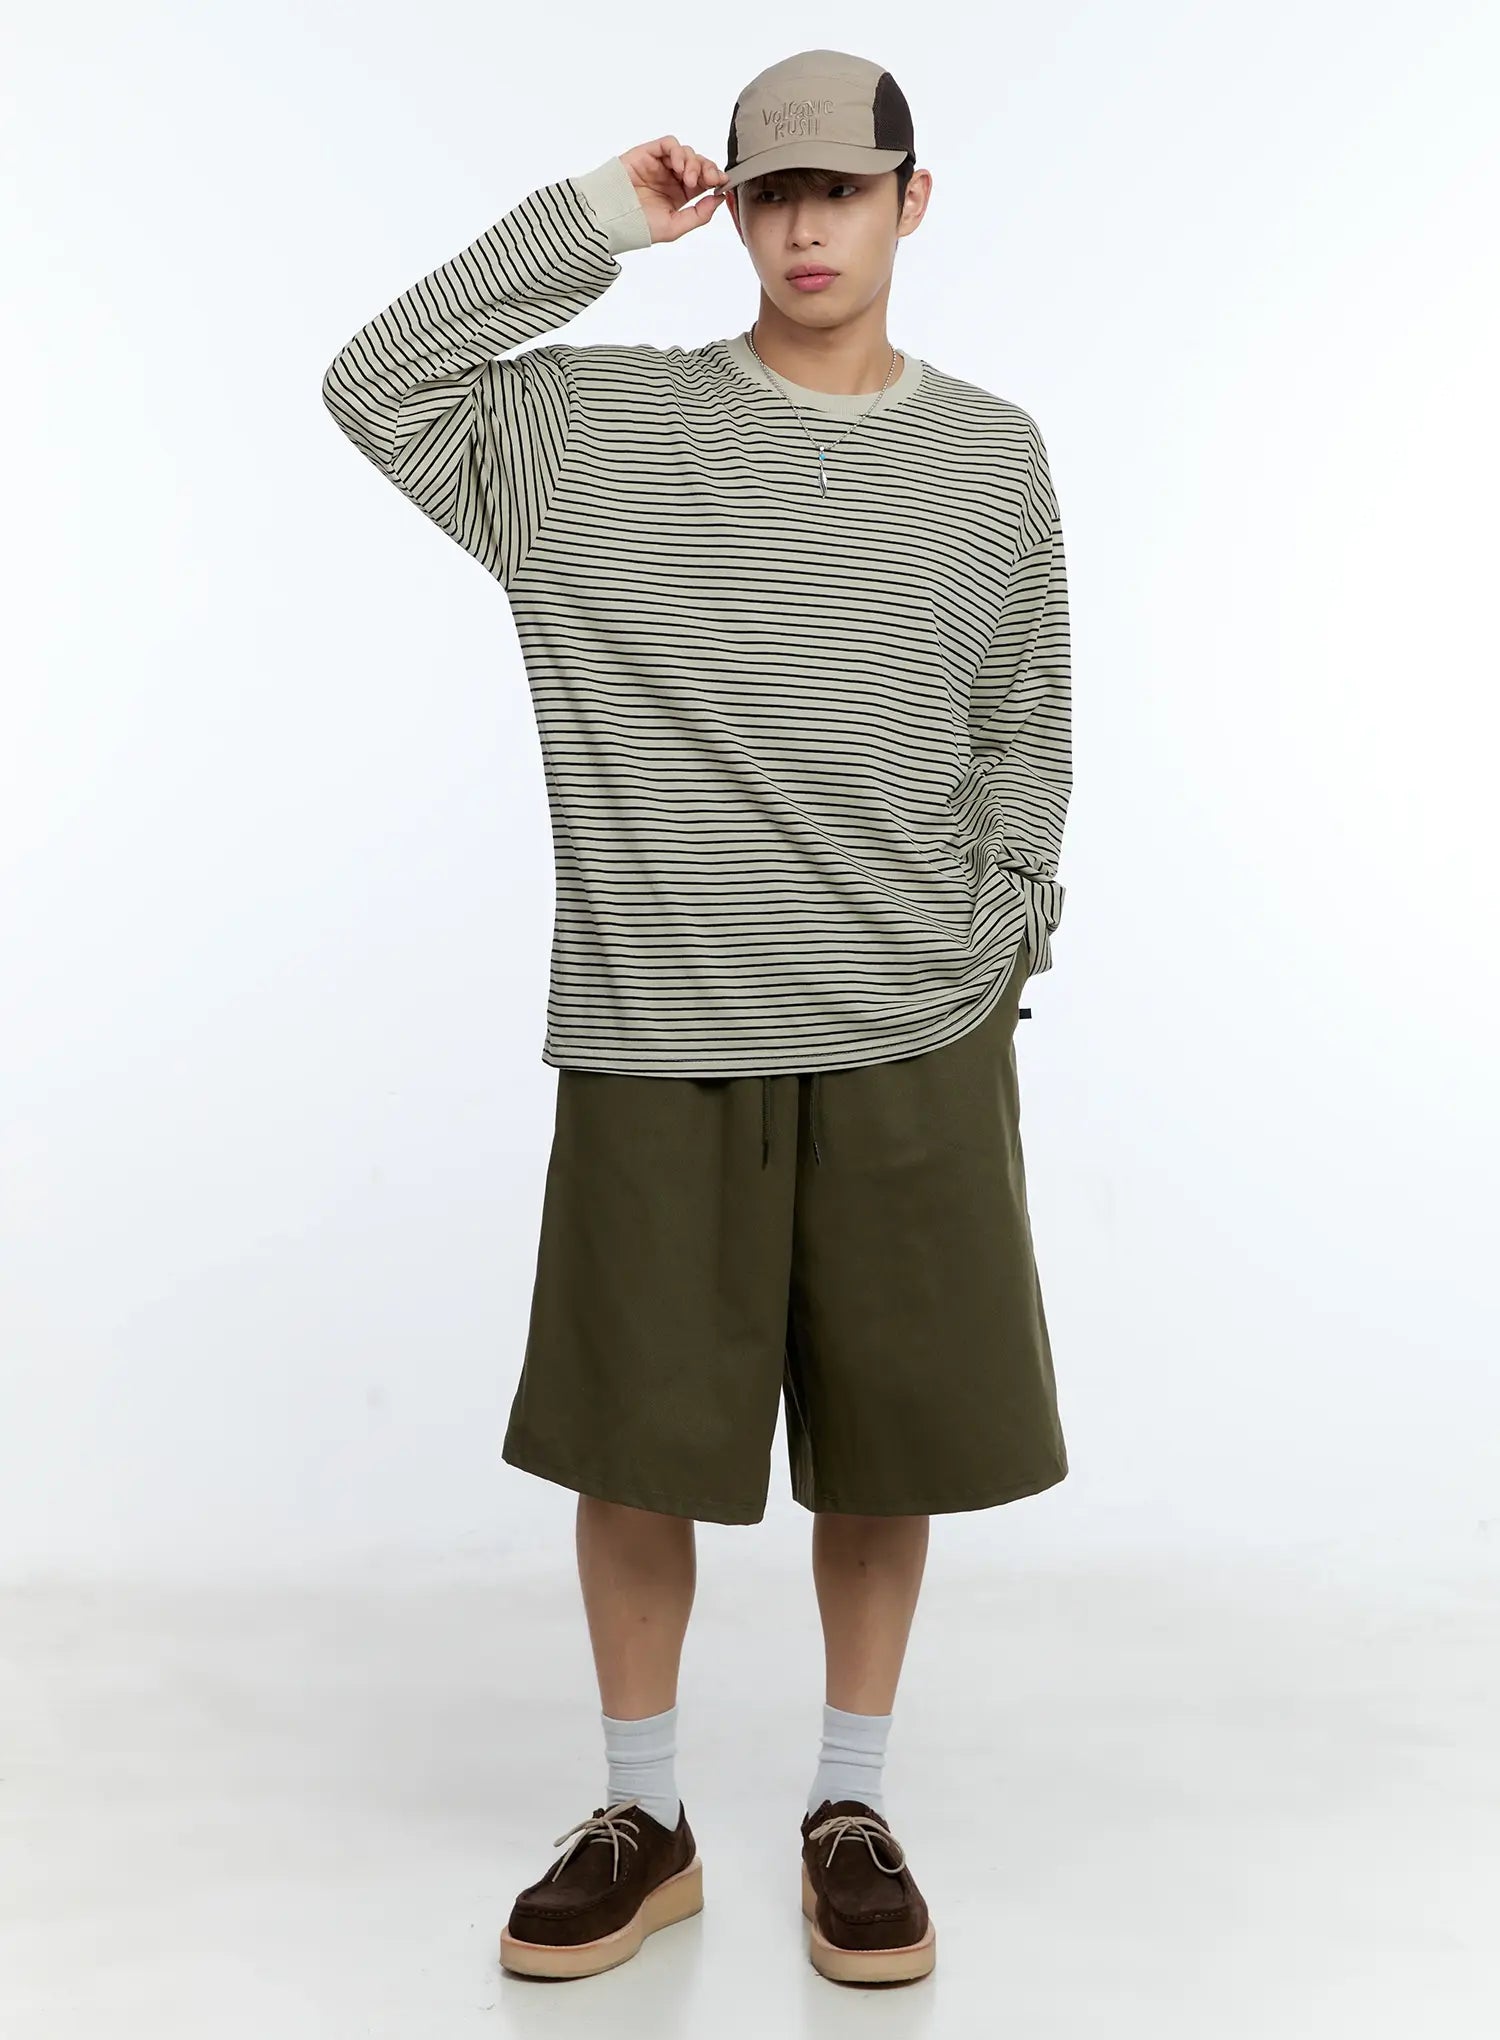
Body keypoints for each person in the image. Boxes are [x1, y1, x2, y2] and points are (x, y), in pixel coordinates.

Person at [321, 45, 1072, 1989]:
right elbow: (374, 381)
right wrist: (596, 217)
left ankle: (852, 1806)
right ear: (731, 206)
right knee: (634, 1444)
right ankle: (641, 1816)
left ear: (912, 199)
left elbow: (1024, 721)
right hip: (662, 1023)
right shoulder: (591, 436)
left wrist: (1001, 939)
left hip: (915, 1028)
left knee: (890, 1446)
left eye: (844, 188)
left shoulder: (994, 456)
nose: (808, 226)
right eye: (773, 190)